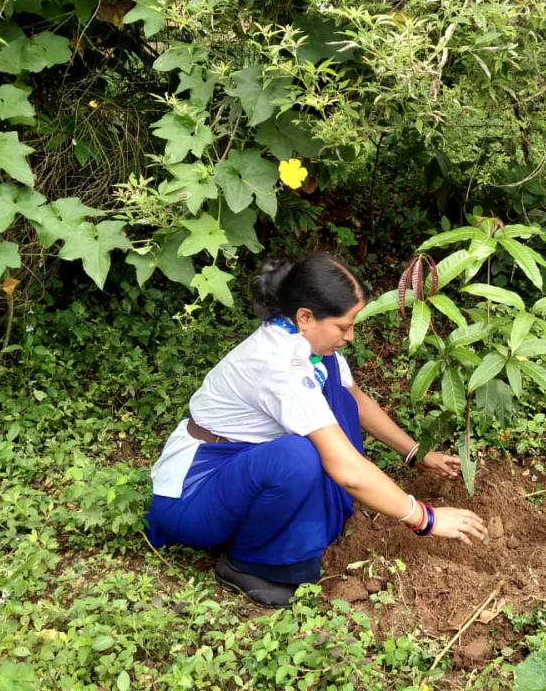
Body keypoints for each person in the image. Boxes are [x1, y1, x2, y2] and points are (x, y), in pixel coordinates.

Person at [144, 253, 487, 606]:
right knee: (297, 457)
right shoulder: (280, 365)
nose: (351, 337)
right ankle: (248, 564)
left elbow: (356, 400)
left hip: (239, 470)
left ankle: (314, 517)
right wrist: (425, 519)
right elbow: (347, 470)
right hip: (194, 492)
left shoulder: (308, 344)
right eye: (343, 326)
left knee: (337, 396)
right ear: (306, 316)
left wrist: (418, 454)